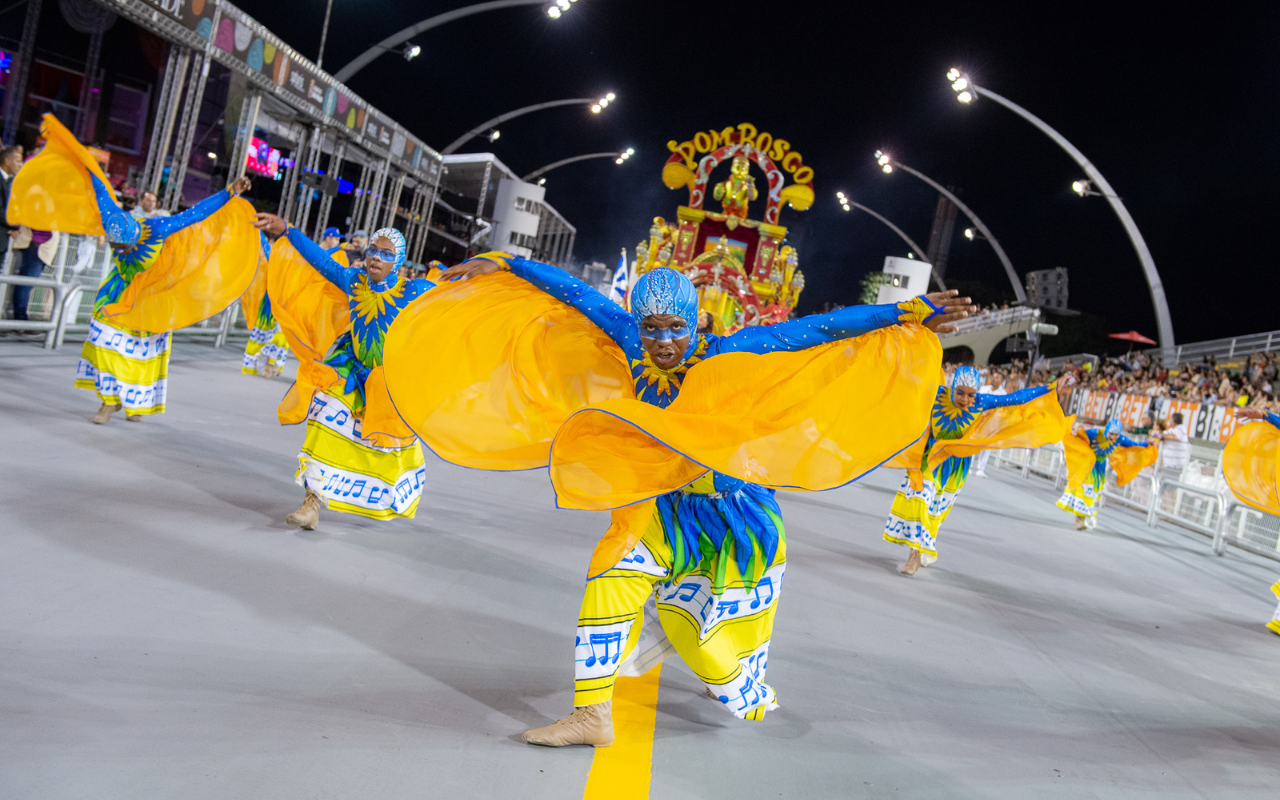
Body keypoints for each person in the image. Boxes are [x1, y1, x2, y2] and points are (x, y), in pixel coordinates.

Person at [404, 254, 973, 747]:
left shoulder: (732, 350)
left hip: (732, 520)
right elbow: (572, 291)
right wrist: (507, 266)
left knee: (704, 644)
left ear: (696, 320)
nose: (664, 342)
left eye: (675, 327)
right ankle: (591, 714)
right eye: (650, 329)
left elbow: (822, 328)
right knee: (610, 576)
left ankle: (703, 655)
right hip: (658, 507)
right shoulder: (631, 342)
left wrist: (902, 312)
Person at [6, 115, 259, 423]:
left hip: (150, 294)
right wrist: (72, 149)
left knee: (142, 351)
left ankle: (134, 402)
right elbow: (97, 181)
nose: (120, 250)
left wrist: (230, 192)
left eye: (123, 246)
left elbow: (196, 214)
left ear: (135, 234)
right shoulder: (111, 214)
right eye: (116, 246)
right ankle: (108, 401)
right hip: (117, 291)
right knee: (102, 339)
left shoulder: (158, 227)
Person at [253, 213, 433, 529]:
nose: (376, 257)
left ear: (399, 261)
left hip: (388, 381)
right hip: (349, 369)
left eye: (387, 254)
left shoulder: (417, 290)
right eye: (374, 250)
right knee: (322, 418)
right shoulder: (353, 281)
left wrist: (503, 270)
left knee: (387, 446)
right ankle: (311, 504)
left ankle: (389, 495)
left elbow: (459, 302)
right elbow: (320, 261)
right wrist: (288, 231)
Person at [882, 366, 1063, 575]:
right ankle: (913, 556)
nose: (965, 400)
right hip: (929, 459)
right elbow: (906, 380)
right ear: (952, 387)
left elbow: (1018, 398)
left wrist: (1052, 388)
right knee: (921, 500)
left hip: (956, 466)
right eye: (960, 392)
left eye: (970, 394)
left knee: (935, 512)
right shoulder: (934, 393)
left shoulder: (982, 402)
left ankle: (922, 548)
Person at [1057, 418, 1155, 530]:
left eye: (1116, 435)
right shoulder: (1094, 433)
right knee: (1086, 491)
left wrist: (1148, 443)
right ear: (1106, 430)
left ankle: (1084, 516)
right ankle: (1080, 521)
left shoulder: (1121, 439)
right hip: (1088, 465)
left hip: (1100, 468)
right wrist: (1074, 432)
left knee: (1094, 492)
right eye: (1111, 434)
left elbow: (1135, 445)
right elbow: (1080, 434)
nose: (1113, 437)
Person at [971, 374, 1015, 477]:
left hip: (992, 422)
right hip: (980, 419)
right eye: (994, 377)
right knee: (973, 442)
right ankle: (969, 465)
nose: (994, 379)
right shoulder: (983, 388)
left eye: (997, 377)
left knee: (987, 445)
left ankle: (981, 468)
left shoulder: (1003, 394)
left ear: (1001, 381)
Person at [1158, 412, 1191, 480]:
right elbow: (1163, 434)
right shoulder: (1172, 430)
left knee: (1168, 486)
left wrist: (1162, 436)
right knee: (1168, 486)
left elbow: (1175, 437)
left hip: (1175, 465)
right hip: (1169, 464)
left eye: (1170, 419)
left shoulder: (1180, 429)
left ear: (1172, 422)